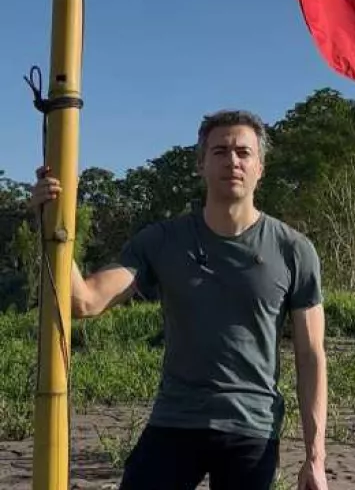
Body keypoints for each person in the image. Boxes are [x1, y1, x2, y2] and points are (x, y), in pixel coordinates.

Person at [28, 110, 329, 490]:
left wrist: (315, 456)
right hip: (175, 420)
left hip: (251, 427)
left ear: (260, 167)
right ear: (201, 164)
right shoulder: (162, 241)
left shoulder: (294, 249)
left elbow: (311, 354)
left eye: (243, 152)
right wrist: (49, 222)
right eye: (219, 151)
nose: (232, 160)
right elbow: (84, 301)